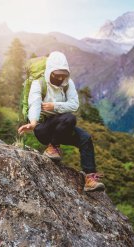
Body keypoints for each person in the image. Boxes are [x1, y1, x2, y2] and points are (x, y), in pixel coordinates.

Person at [18, 51, 105, 192]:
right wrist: (33, 123)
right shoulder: (38, 83)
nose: (59, 78)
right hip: (43, 129)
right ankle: (52, 147)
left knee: (85, 138)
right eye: (56, 74)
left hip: (62, 126)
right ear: (50, 71)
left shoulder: (67, 83)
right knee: (69, 118)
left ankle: (90, 179)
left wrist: (55, 106)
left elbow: (74, 104)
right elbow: (34, 103)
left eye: (62, 75)